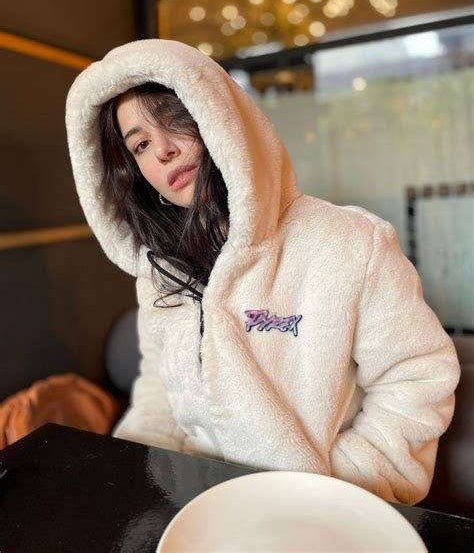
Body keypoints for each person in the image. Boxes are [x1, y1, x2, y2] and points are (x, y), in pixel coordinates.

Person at [66, 39, 460, 505]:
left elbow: (416, 377)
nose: (163, 151)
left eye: (175, 120)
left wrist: (345, 490)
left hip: (318, 515)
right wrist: (136, 484)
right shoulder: (159, 274)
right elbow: (158, 388)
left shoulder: (348, 242)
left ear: (223, 117)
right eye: (141, 144)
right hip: (197, 509)